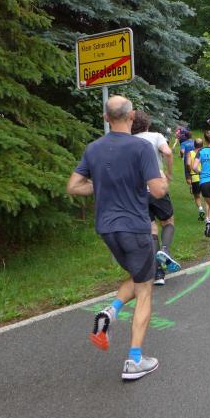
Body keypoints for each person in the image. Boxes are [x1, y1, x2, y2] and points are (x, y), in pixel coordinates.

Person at [67, 96, 165, 380]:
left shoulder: (93, 148)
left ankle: (109, 313)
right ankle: (134, 360)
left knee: (139, 275)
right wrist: (163, 180)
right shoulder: (141, 147)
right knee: (145, 289)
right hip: (134, 227)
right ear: (131, 116)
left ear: (106, 118)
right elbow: (158, 191)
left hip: (107, 228)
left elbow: (73, 186)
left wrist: (99, 185)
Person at [131, 110, 181, 286]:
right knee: (168, 221)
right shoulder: (156, 136)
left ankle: (158, 274)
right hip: (156, 185)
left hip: (137, 191)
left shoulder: (128, 141)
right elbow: (167, 152)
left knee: (151, 228)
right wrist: (169, 173)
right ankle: (165, 250)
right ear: (147, 123)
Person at [184, 135, 204, 220]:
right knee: (207, 196)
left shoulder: (190, 153)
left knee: (197, 196)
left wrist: (190, 172)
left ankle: (200, 209)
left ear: (194, 145)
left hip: (195, 177)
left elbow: (188, 164)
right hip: (204, 177)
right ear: (202, 145)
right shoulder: (204, 152)